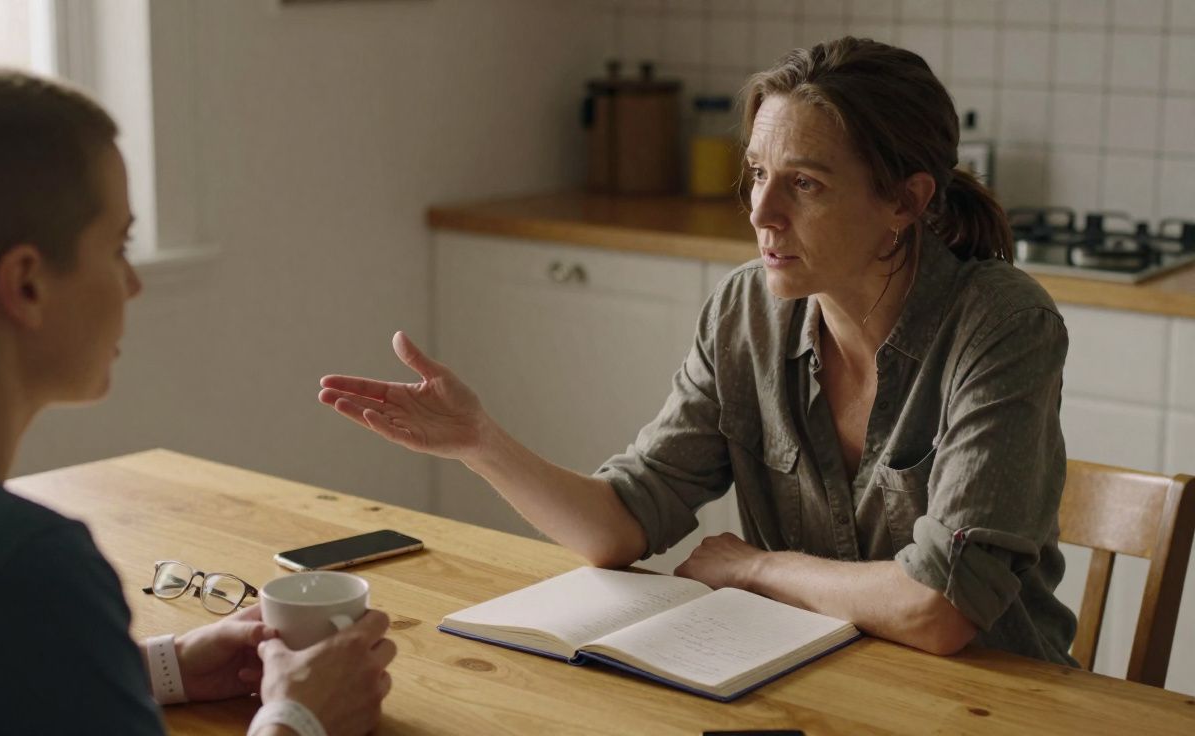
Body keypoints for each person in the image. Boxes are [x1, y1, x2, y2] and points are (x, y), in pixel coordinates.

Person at [318, 37, 1077, 665]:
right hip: (809, 679)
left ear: (905, 202)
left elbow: (939, 609)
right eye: (758, 174)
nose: (761, 212)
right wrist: (481, 443)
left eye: (805, 184)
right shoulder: (745, 311)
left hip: (995, 701)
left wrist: (757, 567)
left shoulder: (1001, 323)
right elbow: (624, 522)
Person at [0, 66, 394, 735]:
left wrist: (155, 668)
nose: (132, 284)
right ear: (27, 285)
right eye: (118, 246)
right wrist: (301, 716)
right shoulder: (25, 568)